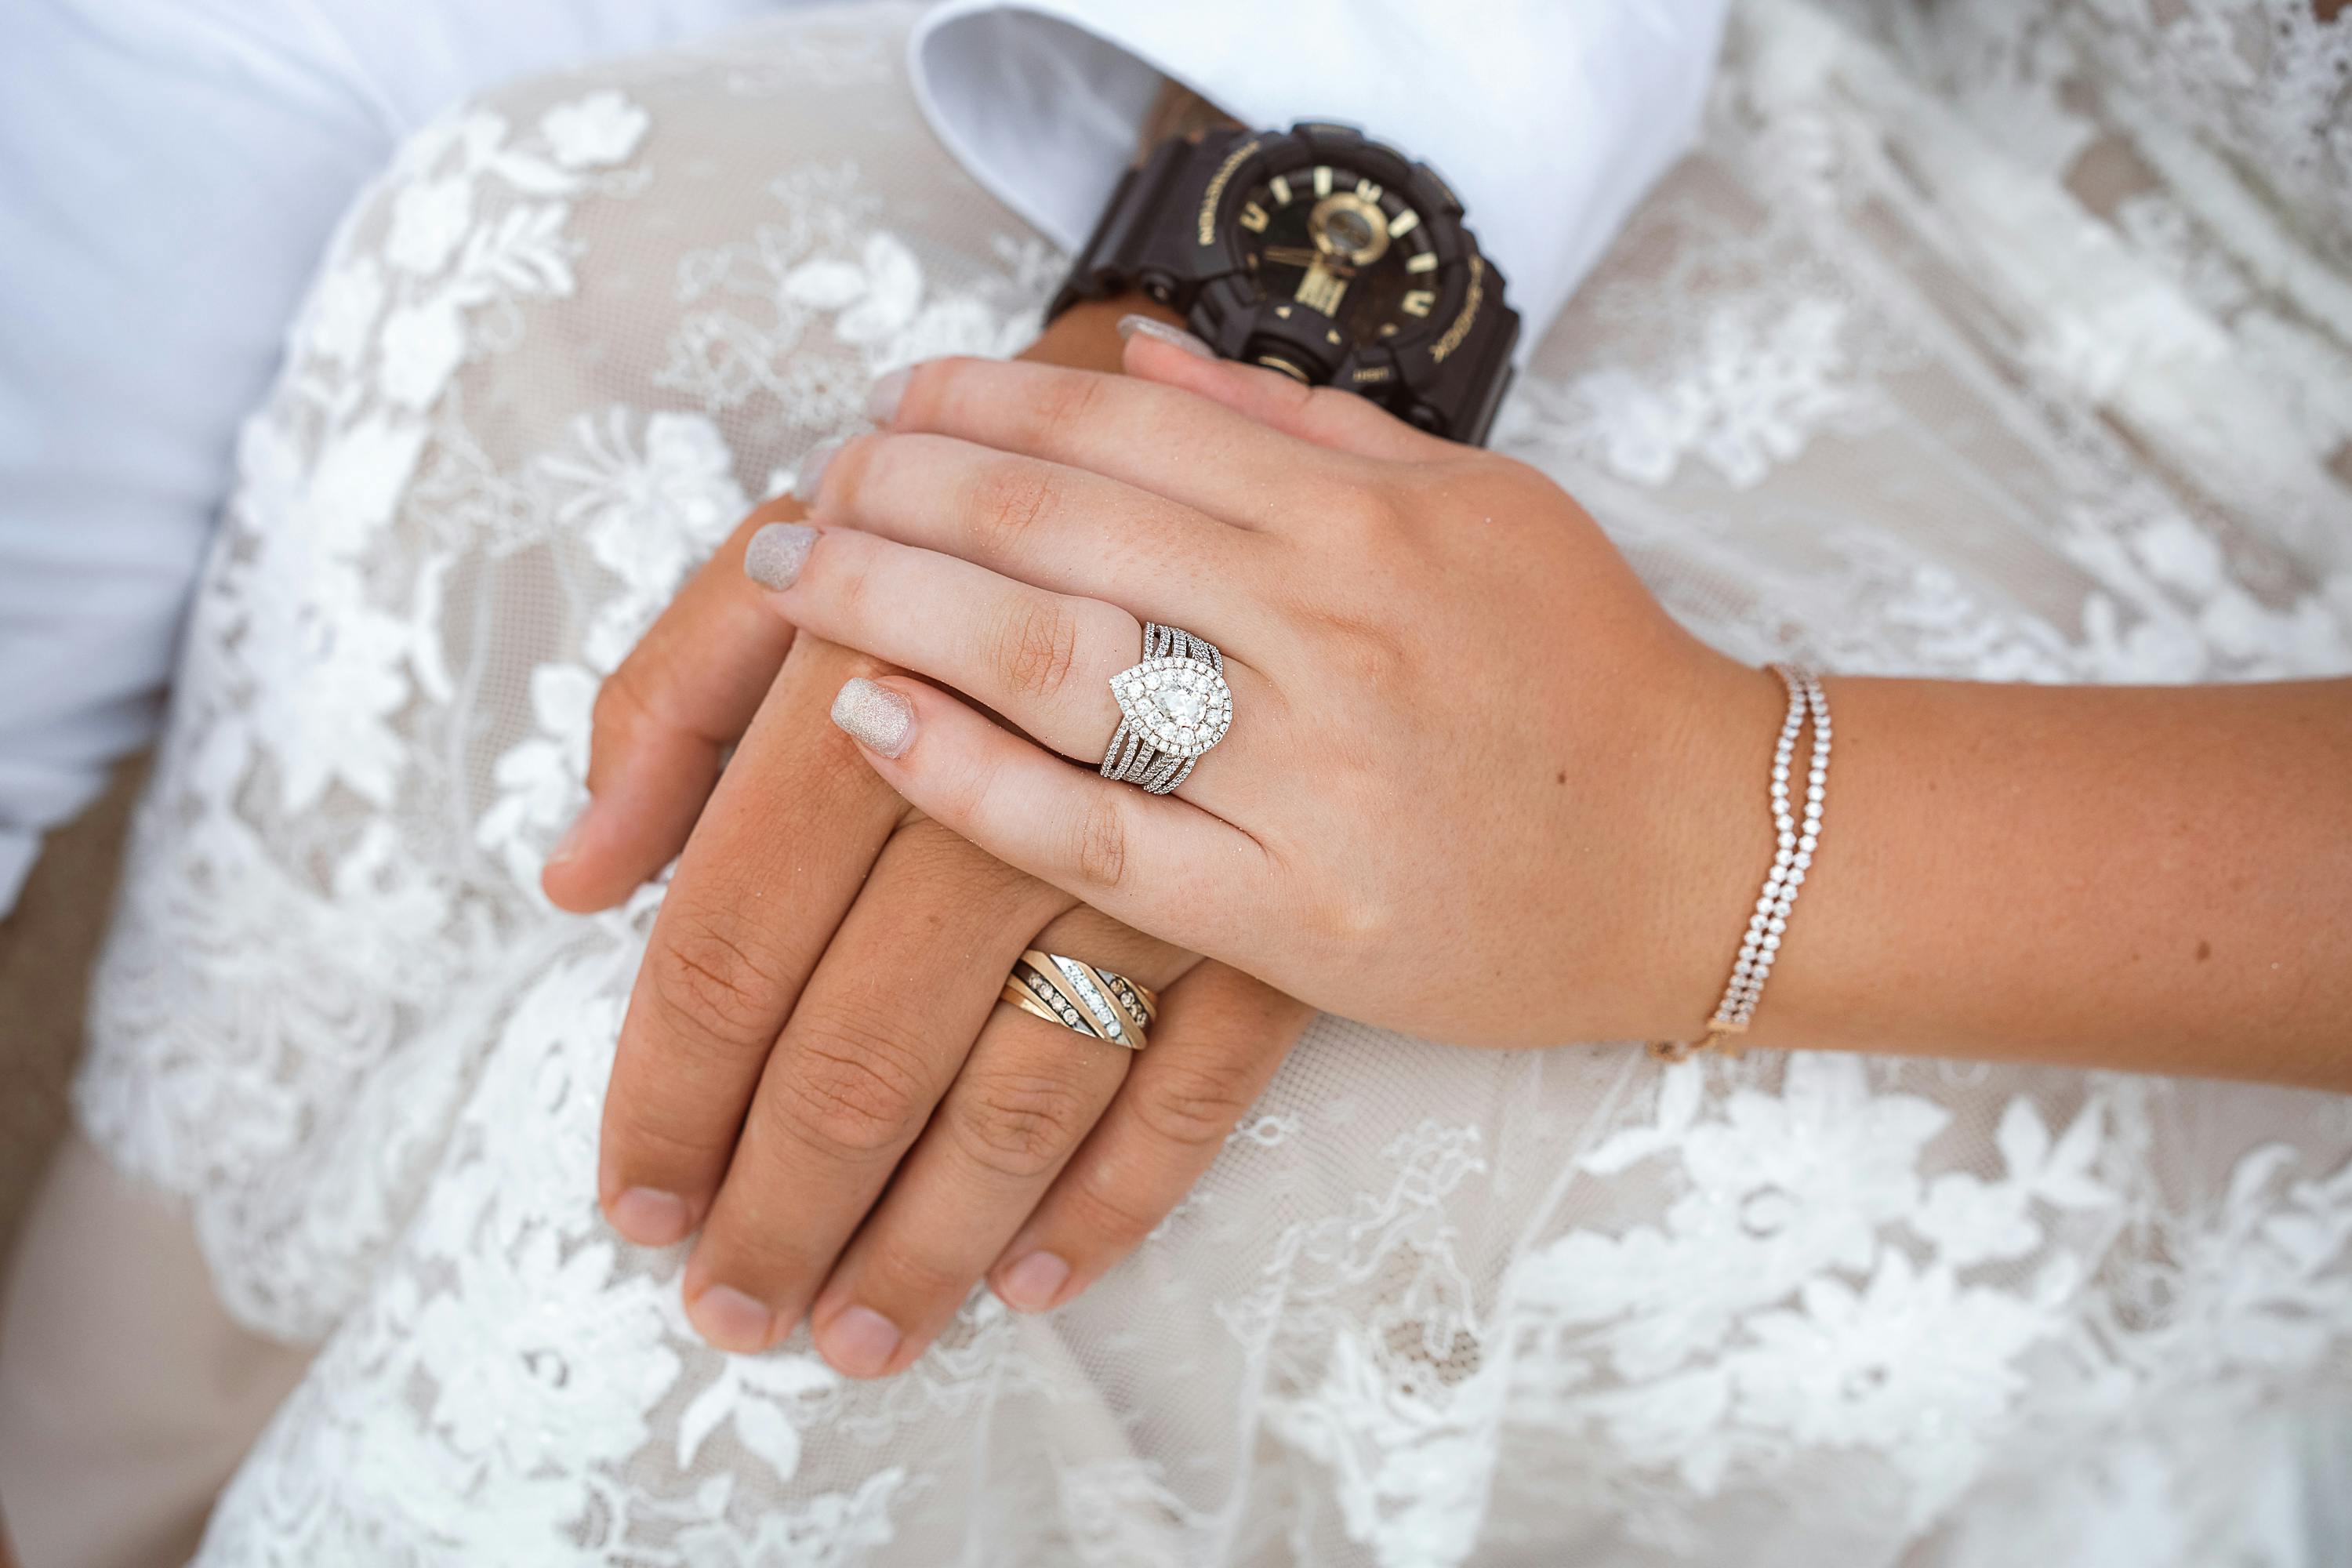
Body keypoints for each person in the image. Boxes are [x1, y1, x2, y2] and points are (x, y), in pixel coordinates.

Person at [9, 2, 2352, 1565]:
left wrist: (1695, 821)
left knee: (958, 1208)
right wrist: (1267, 314)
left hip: (2209, 775)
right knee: (567, 264)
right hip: (1836, 113)